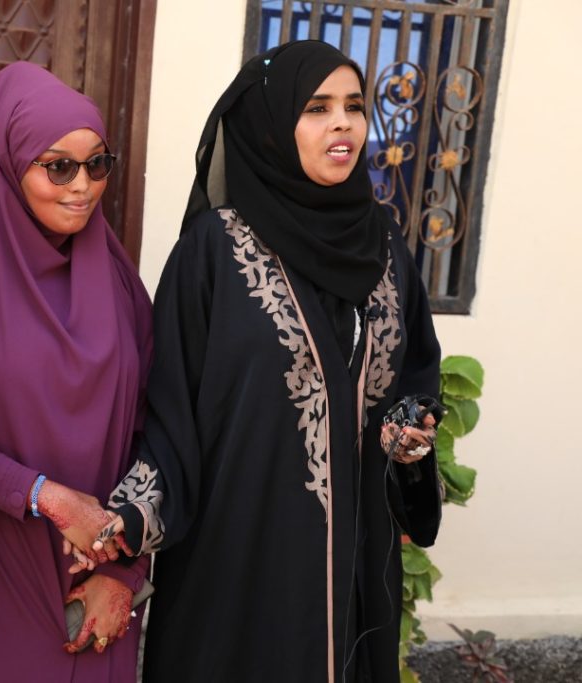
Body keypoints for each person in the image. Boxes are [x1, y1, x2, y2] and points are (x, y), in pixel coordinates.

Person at [90, 40, 444, 682]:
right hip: (240, 555)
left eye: (355, 106)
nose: (344, 123)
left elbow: (413, 370)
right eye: (316, 107)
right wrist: (129, 518)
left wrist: (411, 433)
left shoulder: (385, 242)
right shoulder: (212, 253)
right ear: (272, 125)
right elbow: (170, 407)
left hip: (357, 560)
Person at [0, 62, 153, 682]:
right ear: (7, 166)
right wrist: (45, 497)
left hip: (103, 582)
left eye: (97, 164)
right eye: (58, 166)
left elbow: (162, 430)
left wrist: (123, 569)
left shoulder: (122, 286)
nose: (83, 186)